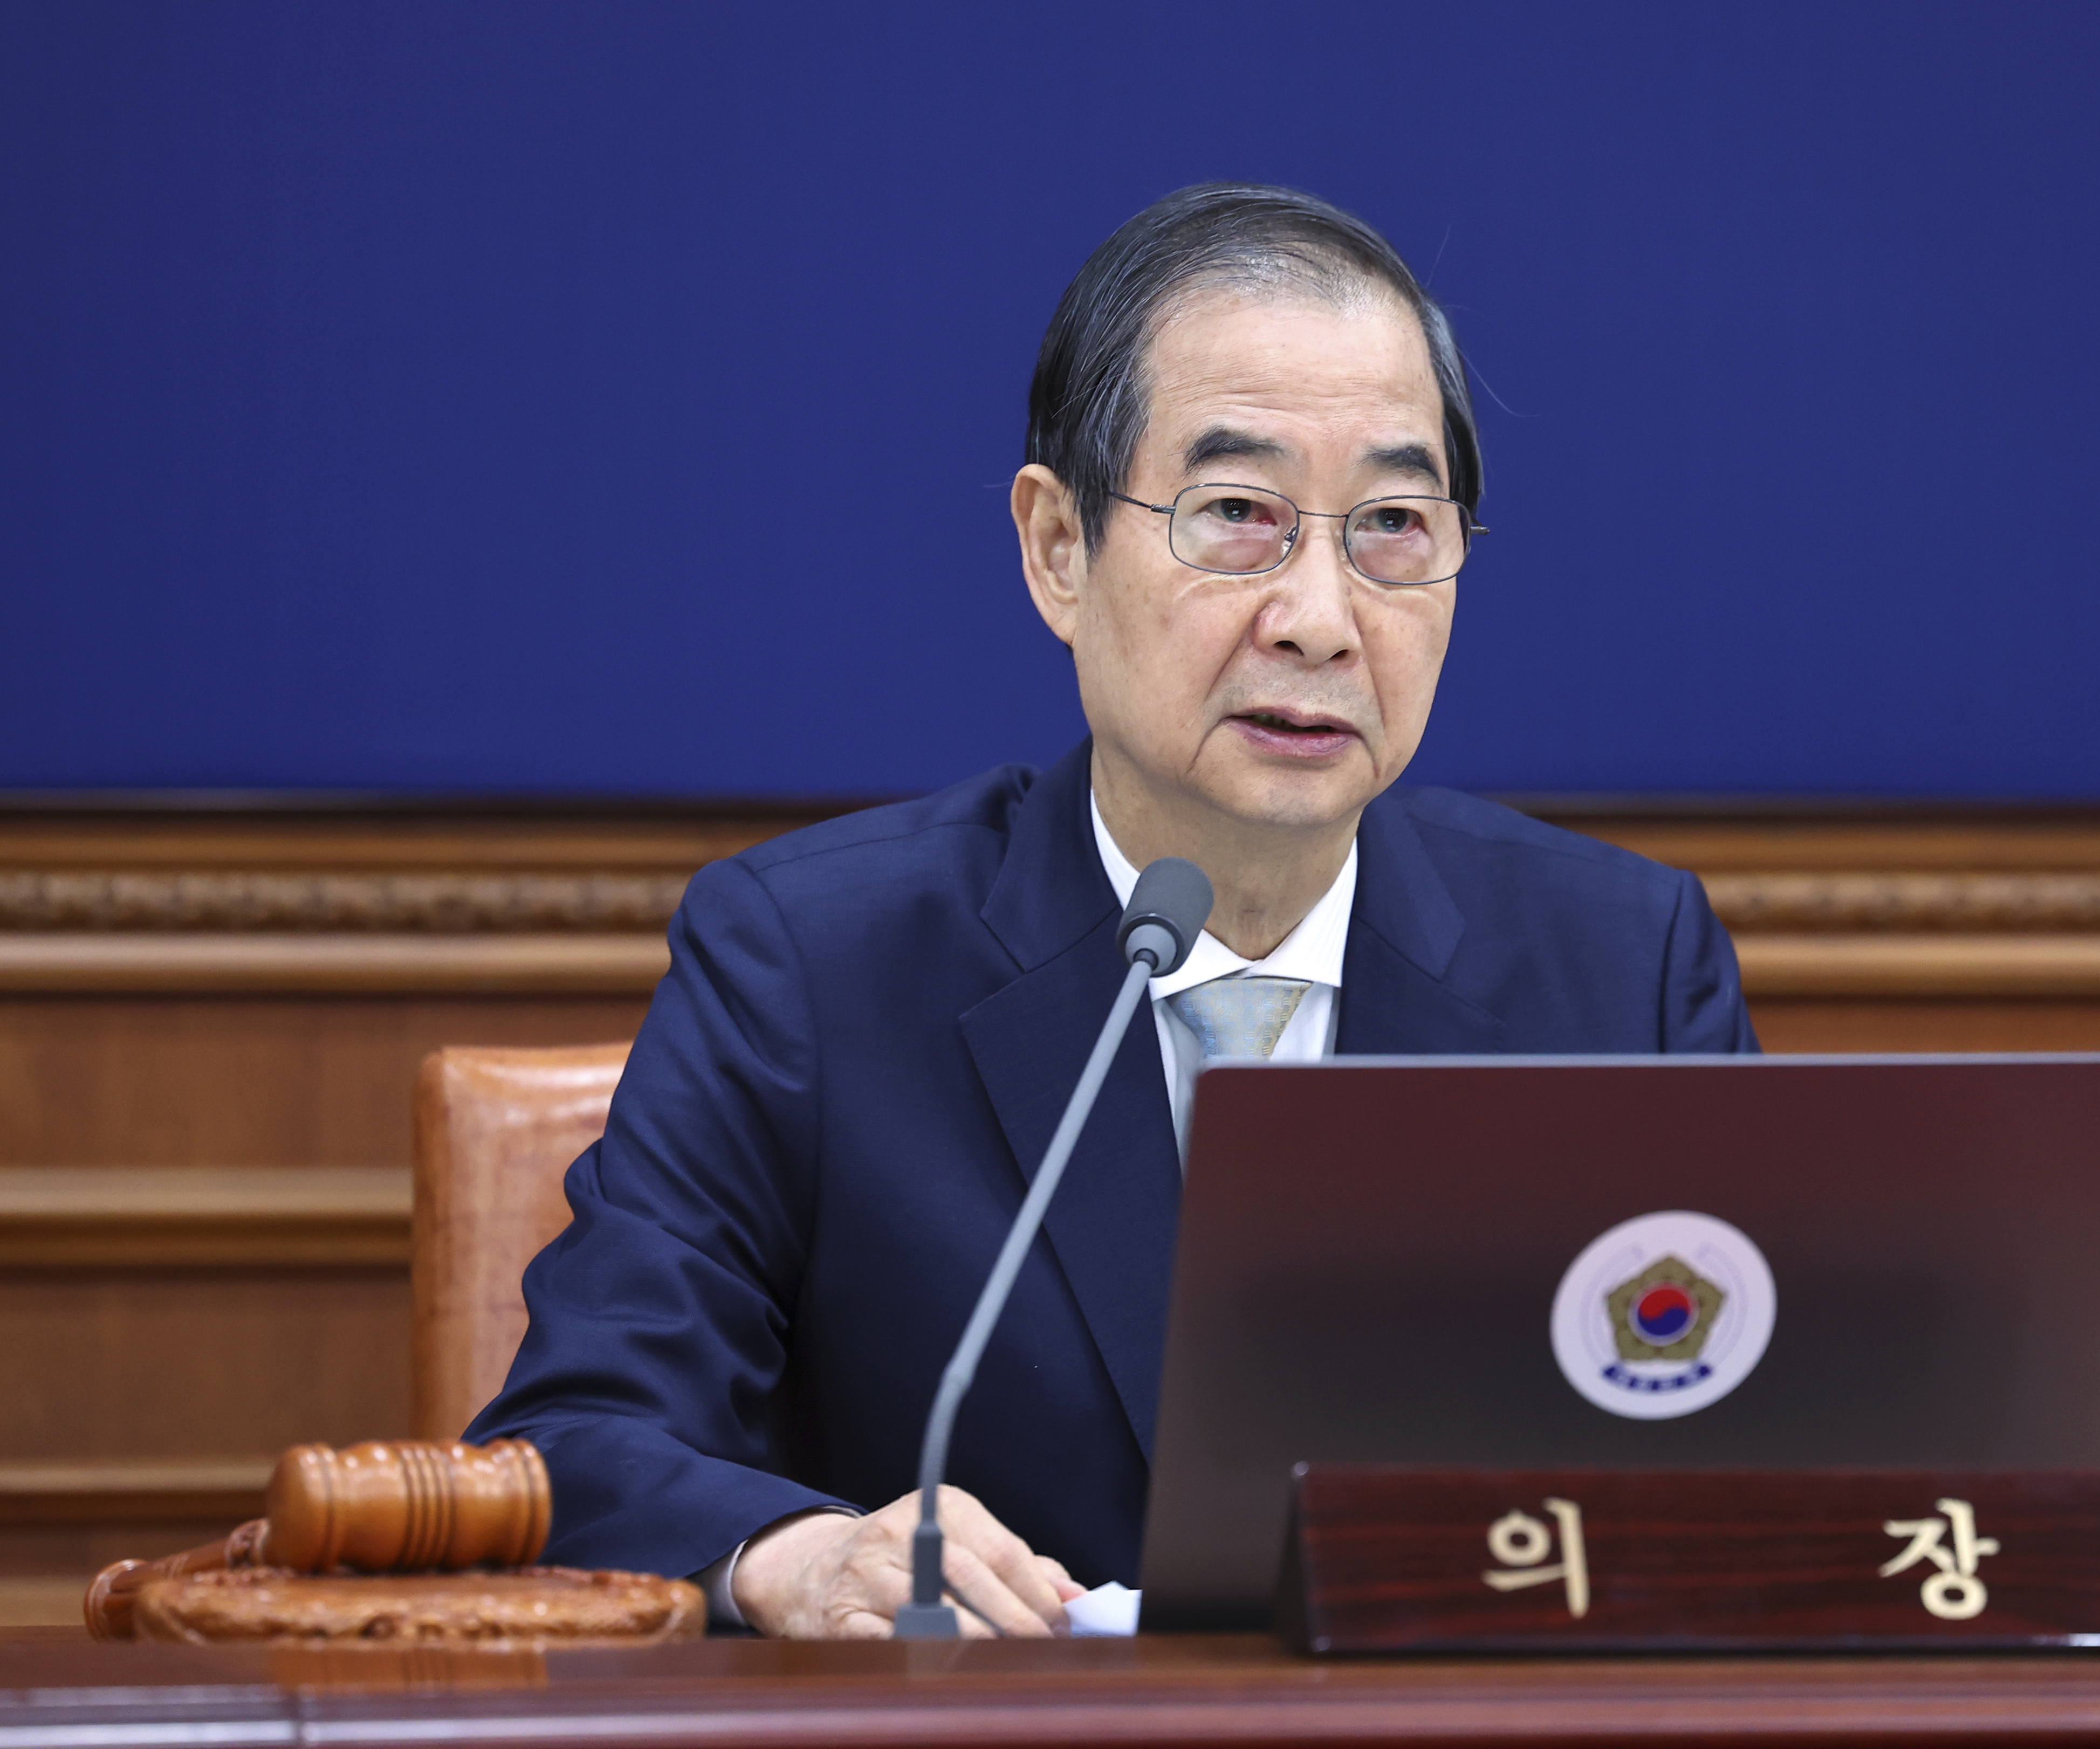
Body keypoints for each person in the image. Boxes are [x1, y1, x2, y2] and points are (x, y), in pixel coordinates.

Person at [466, 183, 1759, 1640]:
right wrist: (795, 1552)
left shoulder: (1624, 970)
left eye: (1394, 522)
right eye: (1237, 517)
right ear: (1058, 550)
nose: (1323, 616)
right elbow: (568, 1446)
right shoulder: (810, 968)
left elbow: (1773, 1468)